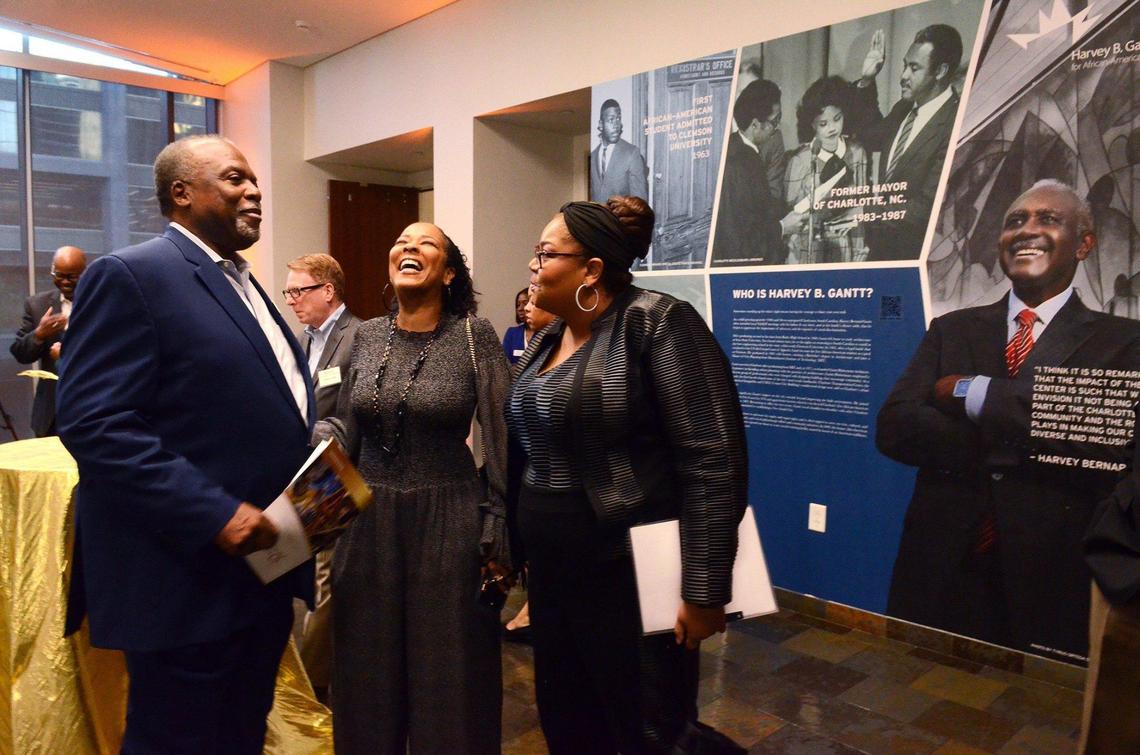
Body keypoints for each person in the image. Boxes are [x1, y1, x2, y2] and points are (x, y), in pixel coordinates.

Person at [56, 135, 315, 754]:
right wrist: (216, 512)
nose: (253, 190)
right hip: (185, 586)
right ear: (182, 193)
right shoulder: (134, 275)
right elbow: (95, 422)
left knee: (238, 737)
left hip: (260, 576)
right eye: (234, 179)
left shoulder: (246, 284)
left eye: (254, 179)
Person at [508, 197, 748, 753]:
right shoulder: (549, 336)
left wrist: (705, 588)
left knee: (646, 726)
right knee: (567, 721)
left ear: (591, 269)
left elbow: (712, 456)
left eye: (545, 254)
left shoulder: (658, 322)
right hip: (553, 576)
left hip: (629, 573)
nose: (532, 266)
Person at [876, 180, 1140, 660]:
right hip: (941, 568)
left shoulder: (1125, 344)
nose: (1027, 230)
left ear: (1084, 244)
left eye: (1048, 219)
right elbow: (895, 427)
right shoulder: (952, 329)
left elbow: (1112, 443)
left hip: (1054, 577)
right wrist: (1039, 434)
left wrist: (971, 393)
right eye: (1015, 221)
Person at [315, 221, 510, 754]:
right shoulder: (366, 335)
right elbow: (346, 436)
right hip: (367, 523)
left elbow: (501, 438)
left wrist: (499, 532)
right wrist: (313, 517)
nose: (407, 247)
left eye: (425, 243)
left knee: (448, 677)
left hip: (448, 519)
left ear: (448, 273)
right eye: (400, 241)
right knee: (364, 674)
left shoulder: (475, 337)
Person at [283, 252, 362, 701]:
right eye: (289, 292)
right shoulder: (302, 341)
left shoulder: (359, 337)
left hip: (339, 474)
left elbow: (353, 418)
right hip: (305, 472)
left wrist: (295, 428)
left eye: (299, 290)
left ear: (327, 291)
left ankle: (314, 689)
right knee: (299, 571)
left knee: (325, 579)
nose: (292, 300)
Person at [849, 25, 963, 261]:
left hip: (916, 258)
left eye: (914, 68)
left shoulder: (955, 123)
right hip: (881, 252)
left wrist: (865, 212)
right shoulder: (904, 109)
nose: (903, 76)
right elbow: (869, 135)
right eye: (904, 65)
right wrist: (867, 81)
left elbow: (925, 208)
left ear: (940, 71)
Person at [502, 292, 556, 645]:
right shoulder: (536, 352)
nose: (527, 306)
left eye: (536, 300)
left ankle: (536, 610)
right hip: (526, 475)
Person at [710, 79, 802, 266]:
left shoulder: (735, 146)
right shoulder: (742, 164)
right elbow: (742, 236)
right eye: (774, 121)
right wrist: (784, 227)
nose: (777, 127)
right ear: (754, 124)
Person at [783, 76, 870, 264]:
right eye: (823, 124)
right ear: (812, 124)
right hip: (806, 250)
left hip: (844, 247)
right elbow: (792, 215)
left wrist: (859, 252)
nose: (831, 128)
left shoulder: (857, 153)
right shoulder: (799, 160)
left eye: (837, 119)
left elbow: (860, 209)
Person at [10, 245, 87, 437]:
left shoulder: (100, 303)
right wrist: (39, 334)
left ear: (85, 273)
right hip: (51, 413)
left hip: (91, 407)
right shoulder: (37, 305)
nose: (65, 282)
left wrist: (66, 356)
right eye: (59, 275)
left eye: (72, 276)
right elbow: (20, 353)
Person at [590, 99, 648, 203]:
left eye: (618, 119)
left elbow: (640, 205)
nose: (616, 125)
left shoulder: (632, 153)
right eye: (611, 120)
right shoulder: (593, 156)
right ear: (601, 124)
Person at [501, 287, 529, 364]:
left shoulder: (546, 334)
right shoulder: (512, 333)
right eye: (518, 305)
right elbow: (505, 365)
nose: (520, 308)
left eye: (525, 303)